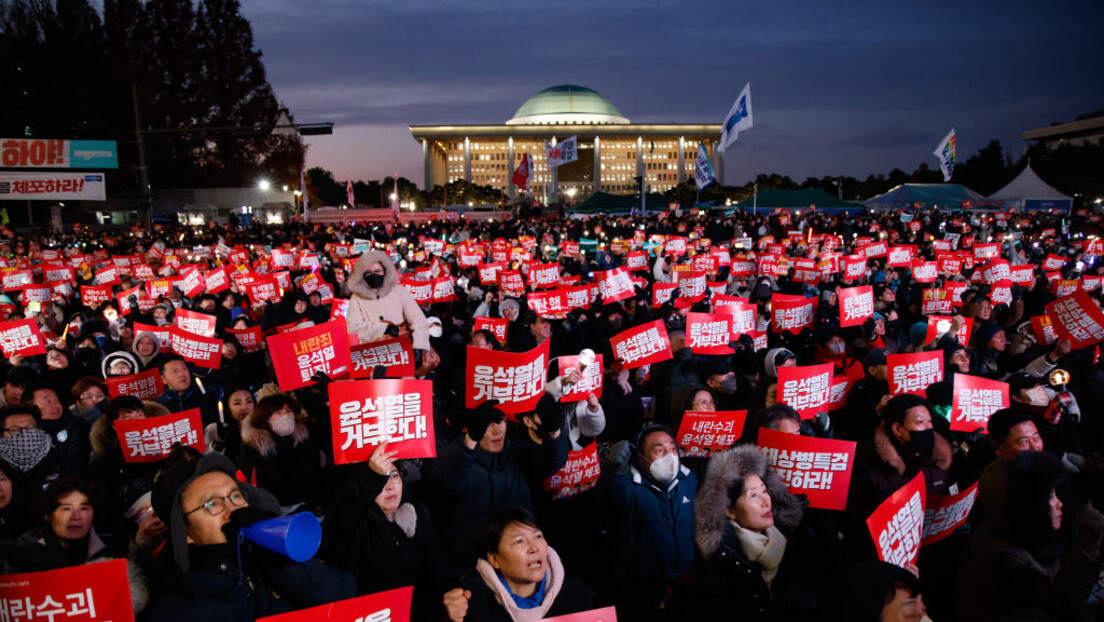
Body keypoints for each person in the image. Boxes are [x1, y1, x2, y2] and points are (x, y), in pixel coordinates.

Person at [144, 453, 354, 621]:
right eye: (213, 503)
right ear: (184, 533)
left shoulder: (259, 561)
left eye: (236, 496)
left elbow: (344, 600)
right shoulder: (175, 611)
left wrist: (284, 564)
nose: (233, 510)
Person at [957, 451, 1104, 620]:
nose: (1059, 503)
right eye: (1050, 496)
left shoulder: (1020, 528)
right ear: (1026, 505)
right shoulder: (1001, 559)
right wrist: (1088, 547)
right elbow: (1061, 608)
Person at [675, 444, 807, 620]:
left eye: (764, 491)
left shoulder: (786, 535)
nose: (766, 501)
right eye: (753, 495)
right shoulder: (718, 559)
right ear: (730, 510)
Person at [324, 443, 446, 622]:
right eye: (381, 479)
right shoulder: (356, 522)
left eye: (394, 476)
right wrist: (371, 478)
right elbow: (337, 526)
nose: (389, 486)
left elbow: (436, 569)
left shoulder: (417, 511)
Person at [0, 479, 148, 613]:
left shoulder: (113, 550)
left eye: (84, 508)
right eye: (66, 508)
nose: (76, 516)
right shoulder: (17, 556)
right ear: (48, 514)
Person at [601, 424, 698, 618]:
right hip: (643, 584)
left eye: (672, 448)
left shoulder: (689, 480)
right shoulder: (630, 486)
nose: (670, 456)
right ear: (642, 457)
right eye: (659, 451)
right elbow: (615, 498)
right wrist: (615, 473)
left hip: (685, 578)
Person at [442, 507, 594, 622]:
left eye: (538, 536)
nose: (534, 548)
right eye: (519, 541)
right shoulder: (469, 605)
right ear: (494, 559)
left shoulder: (577, 597)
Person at [345, 250, 439, 374]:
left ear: (385, 271)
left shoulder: (400, 291)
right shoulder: (356, 298)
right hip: (373, 356)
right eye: (368, 272)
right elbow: (353, 327)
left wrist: (419, 347)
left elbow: (418, 320)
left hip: (402, 351)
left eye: (377, 271)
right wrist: (385, 328)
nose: (373, 275)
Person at [237, 393, 323, 511]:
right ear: (265, 418)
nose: (285, 416)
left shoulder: (304, 438)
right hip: (276, 513)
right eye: (278, 413)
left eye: (288, 411)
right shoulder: (254, 449)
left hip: (310, 507)